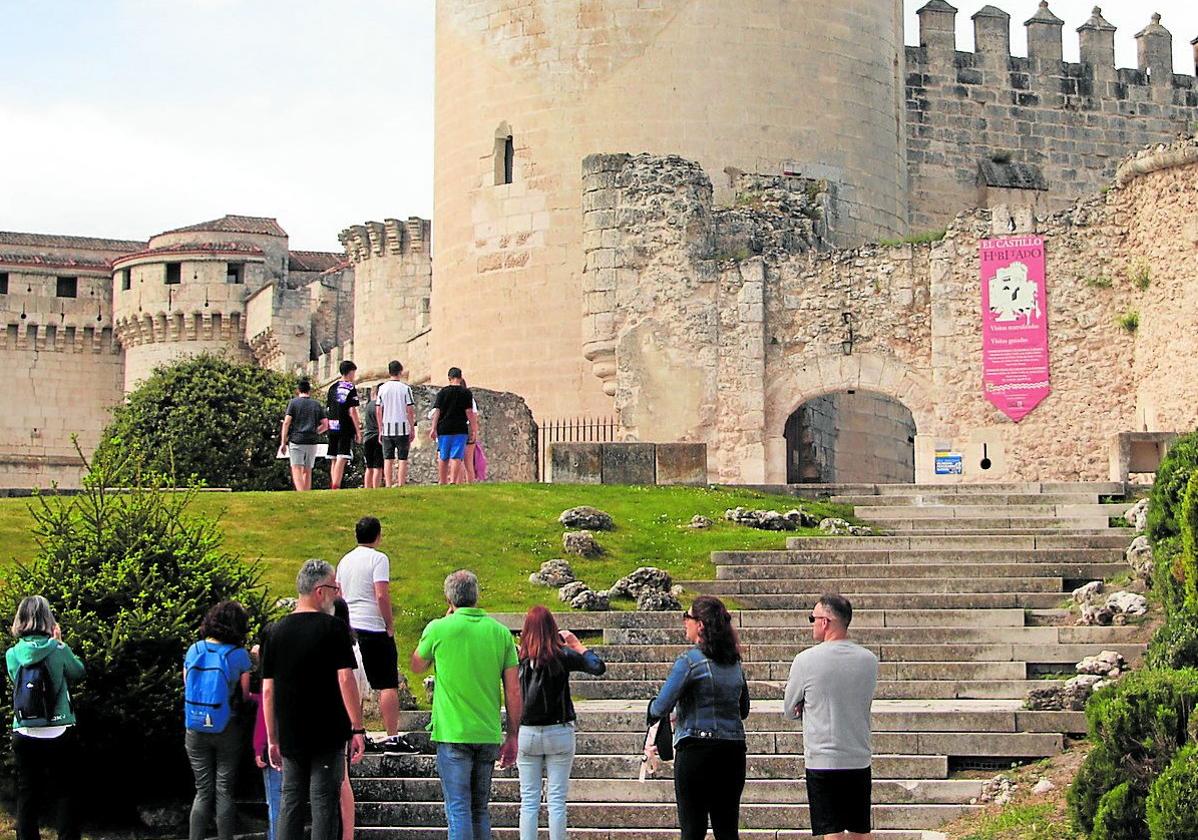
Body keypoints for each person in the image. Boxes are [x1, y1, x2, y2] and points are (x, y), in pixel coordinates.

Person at [411, 570, 522, 840]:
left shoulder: (439, 629)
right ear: (477, 596)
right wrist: (513, 734)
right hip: (487, 732)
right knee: (479, 809)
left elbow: (416, 665)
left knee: (458, 808)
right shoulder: (500, 633)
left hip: (452, 732)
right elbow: (514, 689)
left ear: (449, 598)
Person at [261, 560, 367, 840]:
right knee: (324, 803)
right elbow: (346, 679)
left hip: (291, 731)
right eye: (334, 587)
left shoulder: (274, 632)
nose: (337, 594)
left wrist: (272, 737)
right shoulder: (333, 629)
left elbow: (268, 690)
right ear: (320, 591)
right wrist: (357, 727)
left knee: (290, 801)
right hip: (328, 730)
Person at [648, 596, 749, 840]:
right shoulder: (734, 663)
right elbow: (743, 709)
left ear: (700, 624)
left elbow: (661, 706)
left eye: (688, 617)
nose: (685, 622)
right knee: (727, 829)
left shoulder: (689, 662)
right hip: (732, 751)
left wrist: (653, 709)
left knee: (693, 829)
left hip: (696, 750)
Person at [782, 594, 878, 840]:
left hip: (822, 758)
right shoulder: (868, 660)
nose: (812, 623)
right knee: (860, 830)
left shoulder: (805, 660)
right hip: (858, 755)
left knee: (830, 831)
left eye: (813, 618)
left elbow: (789, 707)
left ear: (825, 622)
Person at [516, 606, 606, 840]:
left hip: (526, 732)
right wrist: (577, 645)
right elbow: (597, 667)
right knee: (556, 800)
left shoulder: (520, 657)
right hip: (559, 730)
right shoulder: (562, 656)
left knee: (529, 801)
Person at [5, 596, 85, 840]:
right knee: (65, 792)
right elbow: (78, 672)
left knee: (27, 793)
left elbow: (14, 680)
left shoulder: (13, 653)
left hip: (25, 730)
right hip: (59, 728)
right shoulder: (58, 649)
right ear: (48, 619)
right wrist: (59, 644)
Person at [335, 517, 417, 753]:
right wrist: (389, 623)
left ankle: (358, 731)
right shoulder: (379, 559)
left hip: (350, 626)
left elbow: (339, 593)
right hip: (373, 626)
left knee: (355, 679)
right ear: (378, 535)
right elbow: (381, 594)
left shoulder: (345, 560)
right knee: (387, 683)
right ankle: (392, 736)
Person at [183, 601, 254, 840]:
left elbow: (188, 686)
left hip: (195, 726)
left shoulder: (194, 650)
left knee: (202, 791)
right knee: (224, 790)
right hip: (227, 727)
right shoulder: (239, 655)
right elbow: (244, 695)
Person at [249, 647, 282, 840]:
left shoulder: (269, 684)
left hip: (274, 748)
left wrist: (258, 748)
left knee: (275, 800)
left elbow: (263, 719)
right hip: (295, 745)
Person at [427, 367, 478, 485]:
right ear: (460, 378)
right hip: (460, 428)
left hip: (443, 428)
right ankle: (453, 481)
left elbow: (437, 411)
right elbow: (469, 412)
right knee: (456, 456)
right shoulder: (466, 393)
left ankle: (443, 481)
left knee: (443, 456)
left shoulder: (442, 392)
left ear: (449, 378)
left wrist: (433, 428)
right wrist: (474, 429)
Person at [279, 378, 329, 492]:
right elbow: (326, 424)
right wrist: (316, 431)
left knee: (297, 468)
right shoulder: (316, 404)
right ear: (309, 390)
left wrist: (283, 442)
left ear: (298, 390)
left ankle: (301, 493)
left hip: (297, 440)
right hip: (312, 441)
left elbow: (287, 422)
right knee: (308, 469)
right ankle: (307, 492)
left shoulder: (293, 403)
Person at [377, 360, 417, 488]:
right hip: (402, 427)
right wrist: (411, 427)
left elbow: (379, 409)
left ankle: (388, 484)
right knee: (402, 458)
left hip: (387, 428)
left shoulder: (382, 389)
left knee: (387, 458)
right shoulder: (405, 389)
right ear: (400, 371)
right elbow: (409, 410)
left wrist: (380, 428)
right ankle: (400, 483)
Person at [326, 360, 362, 490]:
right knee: (342, 456)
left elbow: (329, 407)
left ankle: (333, 483)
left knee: (333, 457)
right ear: (350, 372)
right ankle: (336, 485)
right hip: (345, 425)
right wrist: (358, 431)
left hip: (332, 425)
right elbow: (352, 410)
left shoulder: (332, 388)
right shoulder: (350, 387)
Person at [361, 385, 384, 489]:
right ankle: (376, 488)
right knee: (378, 466)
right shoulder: (381, 406)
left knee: (369, 467)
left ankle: (367, 487)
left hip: (367, 436)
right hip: (377, 436)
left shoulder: (368, 405)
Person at [459, 377, 481, 483]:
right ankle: (470, 484)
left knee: (459, 460)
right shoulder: (470, 399)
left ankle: (458, 483)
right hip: (468, 427)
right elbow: (474, 415)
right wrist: (474, 431)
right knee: (468, 462)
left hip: (459, 428)